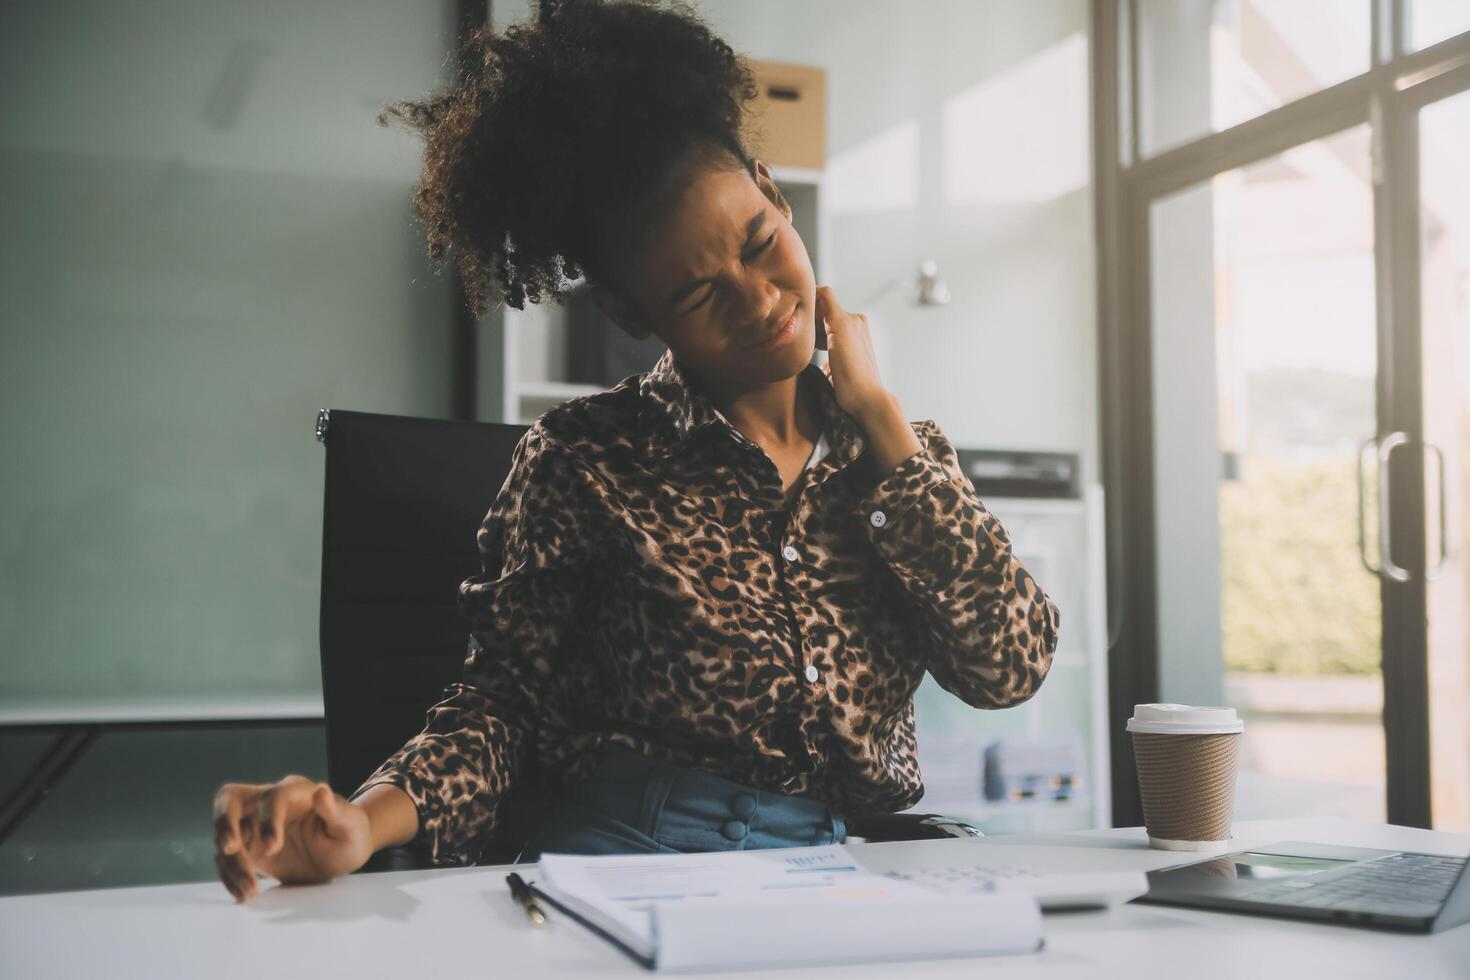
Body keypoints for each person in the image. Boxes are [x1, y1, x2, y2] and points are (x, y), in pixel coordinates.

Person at [212, 0, 1060, 904]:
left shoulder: (902, 461)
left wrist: (883, 425)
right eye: (699, 293)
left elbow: (1009, 670)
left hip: (851, 875)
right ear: (629, 313)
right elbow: (501, 708)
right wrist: (362, 821)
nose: (759, 300)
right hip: (636, 864)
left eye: (761, 243)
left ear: (775, 194)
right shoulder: (583, 462)